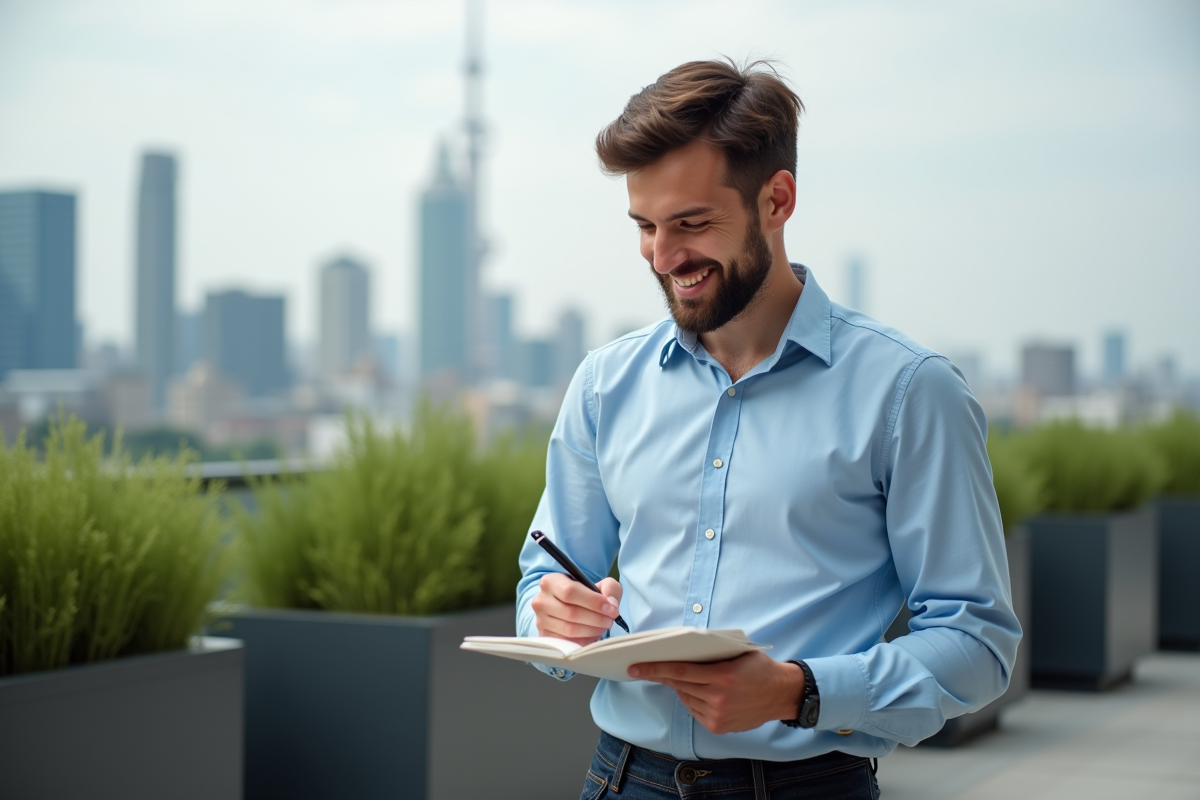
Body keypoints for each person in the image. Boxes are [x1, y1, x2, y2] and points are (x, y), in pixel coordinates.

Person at [515, 58, 1021, 800]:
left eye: (691, 224)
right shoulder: (604, 384)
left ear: (777, 200)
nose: (662, 257)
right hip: (620, 779)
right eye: (646, 226)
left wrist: (798, 692)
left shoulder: (910, 391)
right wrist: (551, 613)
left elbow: (978, 644)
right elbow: (545, 578)